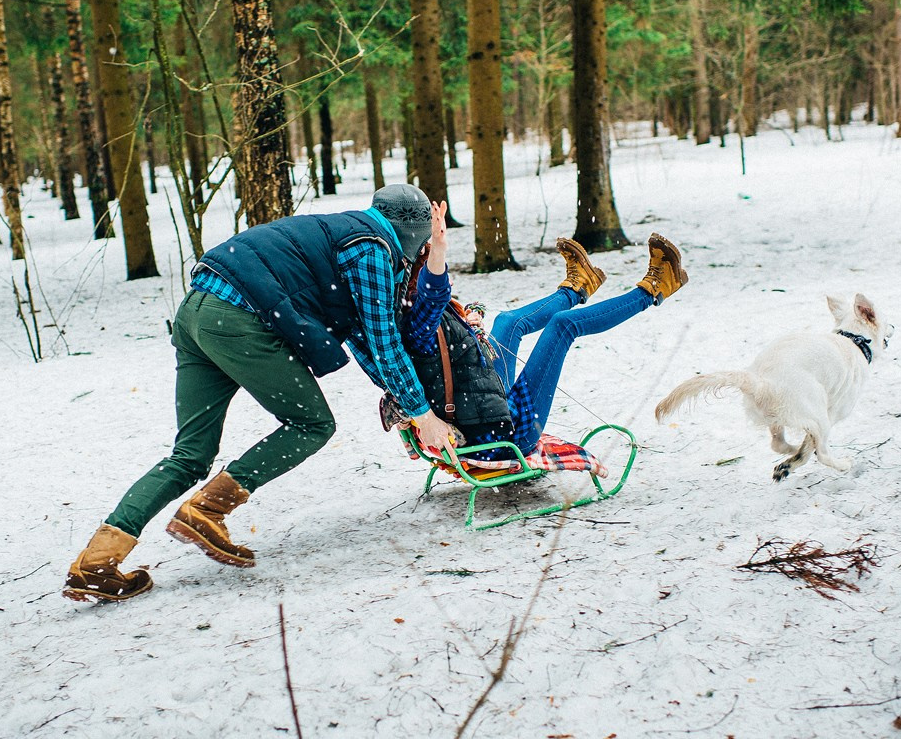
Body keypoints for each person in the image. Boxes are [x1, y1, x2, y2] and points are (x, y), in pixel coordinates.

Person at [64, 184, 459, 602]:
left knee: (190, 455)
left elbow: (362, 336)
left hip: (198, 311)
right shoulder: (373, 248)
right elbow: (383, 339)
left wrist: (400, 396)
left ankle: (97, 561)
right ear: (412, 233)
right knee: (312, 425)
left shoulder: (347, 230)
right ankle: (207, 511)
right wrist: (423, 414)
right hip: (240, 320)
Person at [391, 201, 687, 462]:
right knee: (563, 326)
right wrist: (438, 252)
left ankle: (577, 287)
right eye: (430, 264)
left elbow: (437, 318)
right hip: (502, 436)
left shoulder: (414, 314)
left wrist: (468, 329)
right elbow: (434, 294)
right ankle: (655, 289)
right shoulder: (419, 321)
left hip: (482, 407)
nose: (447, 277)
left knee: (508, 322)